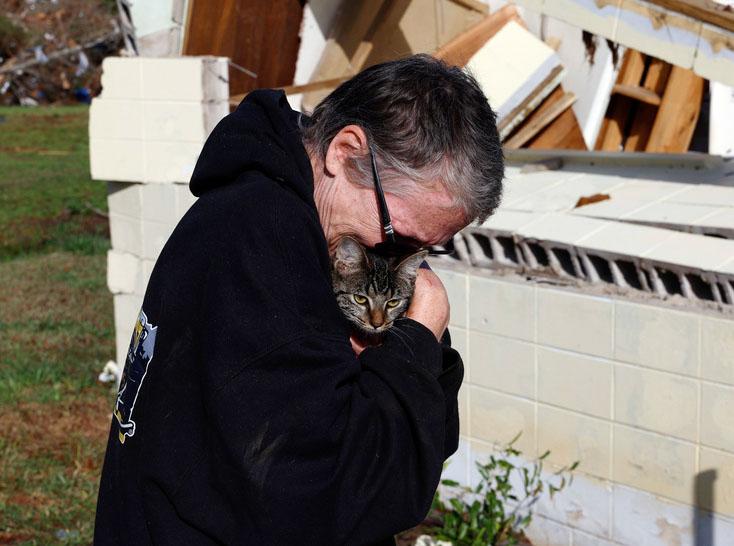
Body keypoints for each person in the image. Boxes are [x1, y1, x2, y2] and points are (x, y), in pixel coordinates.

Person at [94, 54, 503, 545]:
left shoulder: (282, 221)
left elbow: (424, 442)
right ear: (344, 151)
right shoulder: (266, 249)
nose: (403, 262)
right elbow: (351, 496)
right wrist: (416, 339)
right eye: (397, 237)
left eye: (428, 249)